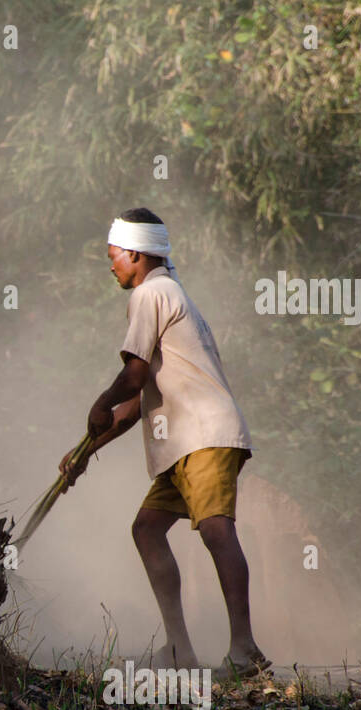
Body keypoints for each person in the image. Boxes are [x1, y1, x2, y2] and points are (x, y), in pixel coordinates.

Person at [60, 208, 270, 678]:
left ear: (134, 253)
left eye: (113, 254)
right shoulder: (168, 294)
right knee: (147, 529)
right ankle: (179, 649)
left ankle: (244, 651)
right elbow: (137, 406)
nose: (110, 264)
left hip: (204, 435)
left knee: (217, 531)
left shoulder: (151, 293)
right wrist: (83, 455)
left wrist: (98, 402)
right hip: (183, 441)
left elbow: (132, 377)